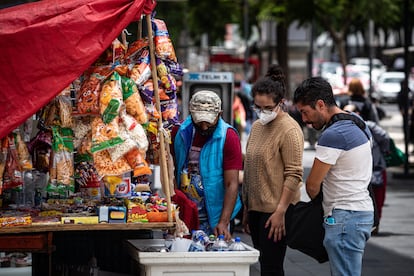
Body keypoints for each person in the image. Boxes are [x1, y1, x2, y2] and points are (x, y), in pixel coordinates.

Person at [293, 77, 374, 276]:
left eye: (305, 112)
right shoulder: (358, 122)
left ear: (320, 104)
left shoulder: (333, 135)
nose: (304, 120)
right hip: (360, 213)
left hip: (344, 218)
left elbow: (312, 185)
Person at [242, 65, 304, 276]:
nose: (262, 112)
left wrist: (280, 211)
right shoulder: (258, 127)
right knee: (264, 265)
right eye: (257, 107)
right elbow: (250, 166)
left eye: (267, 108)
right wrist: (247, 209)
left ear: (280, 103)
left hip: (277, 210)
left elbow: (294, 174)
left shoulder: (290, 129)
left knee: (271, 267)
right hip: (256, 210)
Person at [171, 90, 243, 241]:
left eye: (208, 122)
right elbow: (172, 172)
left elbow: (232, 183)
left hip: (216, 216)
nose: (204, 127)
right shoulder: (179, 133)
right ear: (191, 114)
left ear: (219, 114)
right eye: (199, 122)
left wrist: (223, 222)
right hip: (185, 214)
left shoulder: (229, 137)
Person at [343, 104, 390, 235]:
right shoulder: (344, 129)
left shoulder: (368, 125)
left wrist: (385, 151)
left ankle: (375, 223)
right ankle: (368, 223)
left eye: (352, 112)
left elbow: (385, 137)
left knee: (378, 197)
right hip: (360, 170)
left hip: (376, 168)